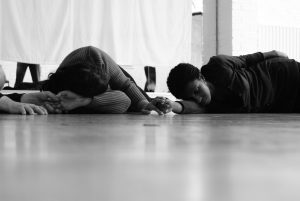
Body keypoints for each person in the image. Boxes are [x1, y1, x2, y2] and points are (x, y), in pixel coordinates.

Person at [155, 50, 300, 114]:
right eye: (191, 97)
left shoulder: (218, 65)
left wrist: (274, 53)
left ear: (202, 78)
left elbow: (247, 59)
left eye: (197, 90)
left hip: (284, 75)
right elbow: (187, 107)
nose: (198, 98)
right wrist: (171, 105)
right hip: (282, 102)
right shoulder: (208, 105)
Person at [41, 46, 163, 114]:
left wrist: (144, 103)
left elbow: (125, 89)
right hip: (81, 84)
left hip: (108, 72)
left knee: (143, 104)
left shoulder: (102, 62)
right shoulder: (61, 81)